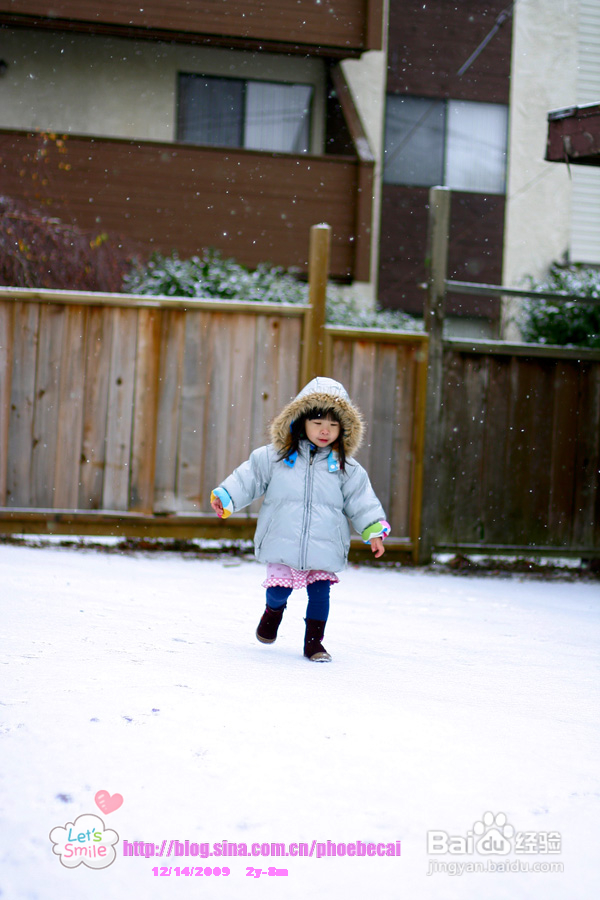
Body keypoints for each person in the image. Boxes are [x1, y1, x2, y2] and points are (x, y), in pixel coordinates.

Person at [210, 377, 390, 662]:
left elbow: (362, 501)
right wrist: (227, 497)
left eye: (333, 425)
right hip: (283, 538)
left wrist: (374, 530)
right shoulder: (274, 458)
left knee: (320, 593)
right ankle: (273, 611)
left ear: (343, 429)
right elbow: (249, 479)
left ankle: (314, 643)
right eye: (318, 422)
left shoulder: (346, 469)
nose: (325, 431)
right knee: (278, 591)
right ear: (301, 419)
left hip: (325, 543)